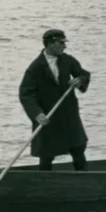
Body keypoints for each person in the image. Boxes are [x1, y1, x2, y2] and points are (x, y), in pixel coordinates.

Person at [19, 29, 92, 171]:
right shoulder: (35, 68)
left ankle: (84, 181)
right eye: (61, 43)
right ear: (51, 44)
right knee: (46, 154)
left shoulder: (68, 60)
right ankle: (45, 185)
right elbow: (26, 94)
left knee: (78, 149)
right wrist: (37, 114)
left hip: (68, 114)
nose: (64, 46)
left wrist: (80, 81)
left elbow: (83, 74)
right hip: (48, 116)